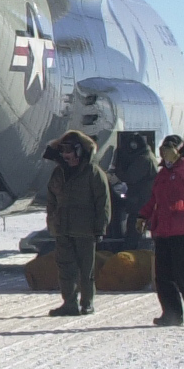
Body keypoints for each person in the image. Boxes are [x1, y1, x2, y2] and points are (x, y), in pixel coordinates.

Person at [45, 130, 110, 317]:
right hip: (63, 229)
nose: (66, 155)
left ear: (80, 151)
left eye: (70, 151)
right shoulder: (58, 173)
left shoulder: (93, 173)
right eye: (63, 151)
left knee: (85, 269)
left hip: (85, 230)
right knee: (65, 268)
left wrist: (100, 227)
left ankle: (87, 303)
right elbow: (51, 200)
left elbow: (102, 202)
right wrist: (52, 221)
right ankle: (69, 303)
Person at [145, 136, 184, 326]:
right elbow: (155, 199)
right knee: (163, 275)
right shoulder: (163, 173)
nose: (165, 154)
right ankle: (172, 314)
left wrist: (180, 161)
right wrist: (143, 215)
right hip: (163, 230)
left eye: (169, 150)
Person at [110, 133, 158, 239]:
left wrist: (117, 170)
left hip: (140, 203)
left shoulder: (144, 159)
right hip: (142, 202)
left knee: (133, 234)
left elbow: (130, 177)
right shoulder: (147, 156)